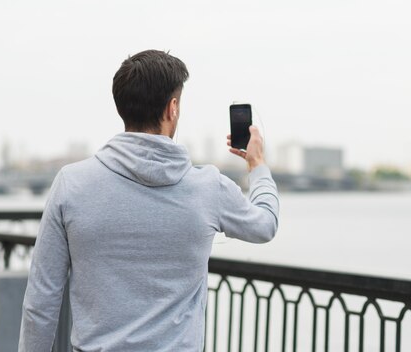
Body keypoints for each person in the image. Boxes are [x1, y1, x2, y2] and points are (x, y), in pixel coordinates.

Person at [18, 49, 279, 351]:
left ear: (122, 107)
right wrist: (257, 165)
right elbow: (265, 224)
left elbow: (41, 300)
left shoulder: (72, 183)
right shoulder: (208, 188)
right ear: (172, 108)